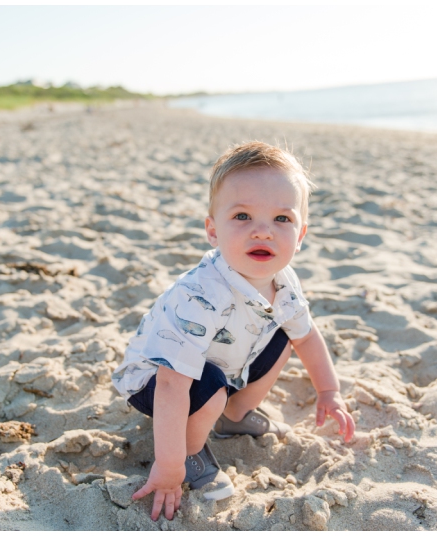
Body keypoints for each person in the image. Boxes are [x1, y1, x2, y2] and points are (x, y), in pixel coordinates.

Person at [111, 141, 356, 522]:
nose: (263, 232)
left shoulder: (284, 283)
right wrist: (169, 464)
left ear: (301, 233)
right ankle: (192, 453)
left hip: (221, 364)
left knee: (284, 336)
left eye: (282, 219)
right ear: (213, 230)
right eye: (242, 216)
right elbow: (173, 383)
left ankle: (234, 416)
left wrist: (329, 391)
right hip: (156, 383)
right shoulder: (201, 295)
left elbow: (307, 336)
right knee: (208, 384)